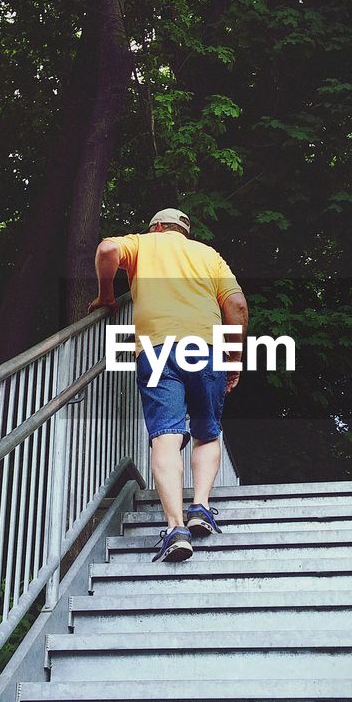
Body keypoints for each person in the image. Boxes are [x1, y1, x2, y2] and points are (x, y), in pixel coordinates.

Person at [88, 207, 249, 562]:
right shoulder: (208, 255)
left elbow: (106, 251)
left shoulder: (144, 244)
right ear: (183, 232)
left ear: (157, 226)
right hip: (207, 348)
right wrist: (234, 359)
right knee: (207, 432)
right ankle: (202, 508)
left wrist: (107, 295)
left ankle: (176, 528)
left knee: (166, 435)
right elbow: (236, 304)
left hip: (157, 349)